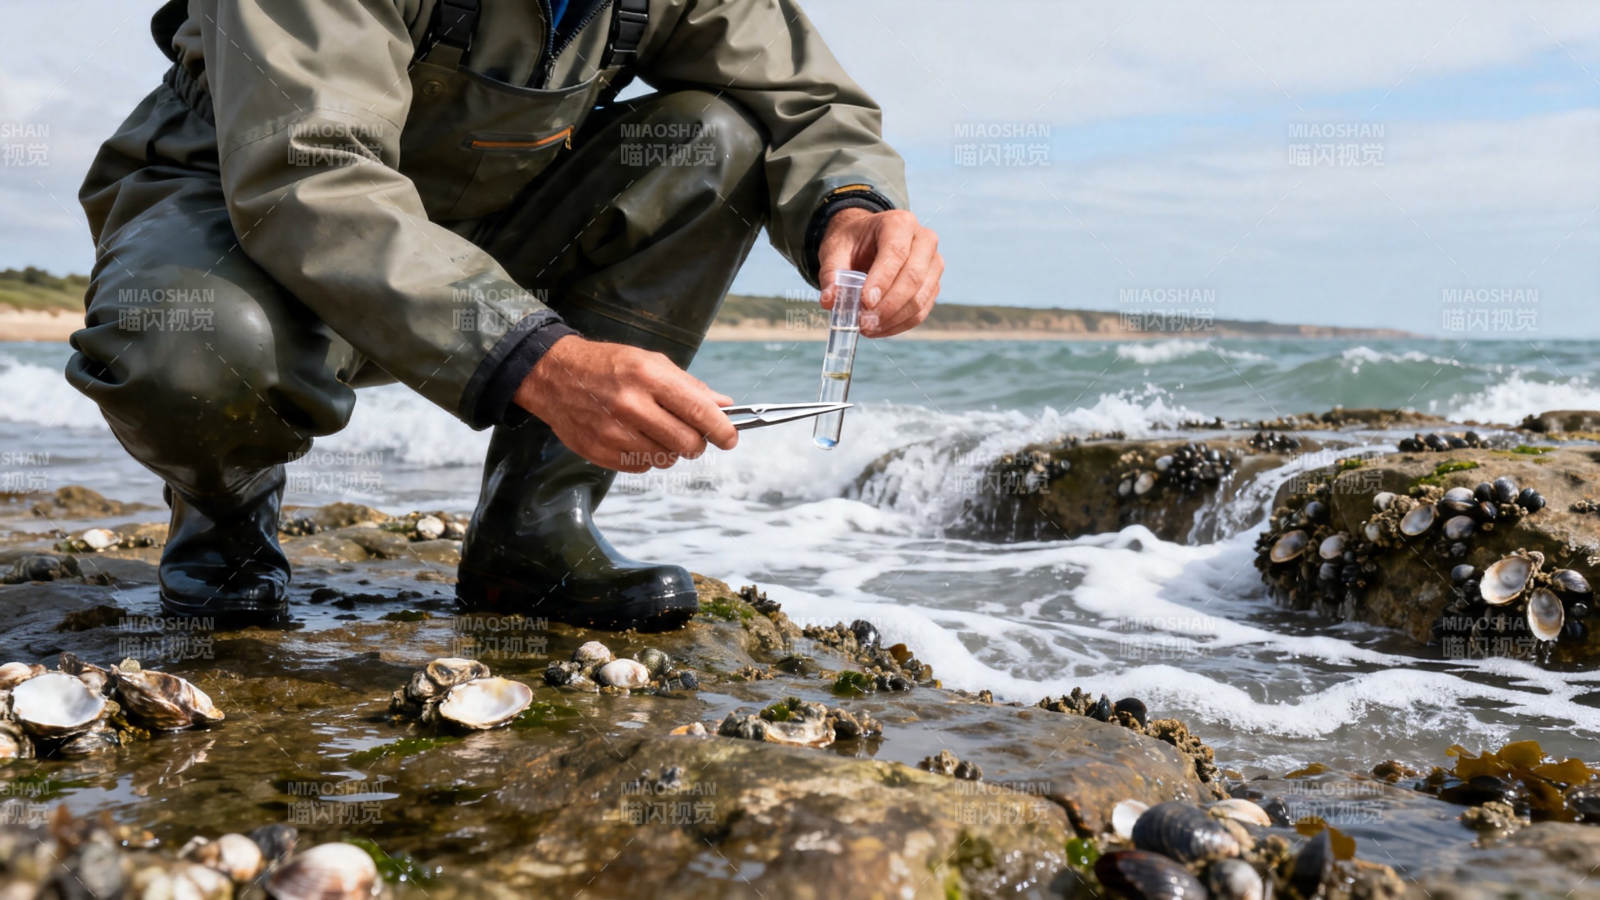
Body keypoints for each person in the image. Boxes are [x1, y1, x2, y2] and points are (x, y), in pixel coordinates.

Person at [65, 0, 943, 631]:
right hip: (247, 217)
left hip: (488, 223)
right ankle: (226, 518)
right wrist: (540, 361)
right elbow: (311, 178)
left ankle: (534, 535)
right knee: (186, 353)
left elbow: (808, 104)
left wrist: (851, 204)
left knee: (713, 134)